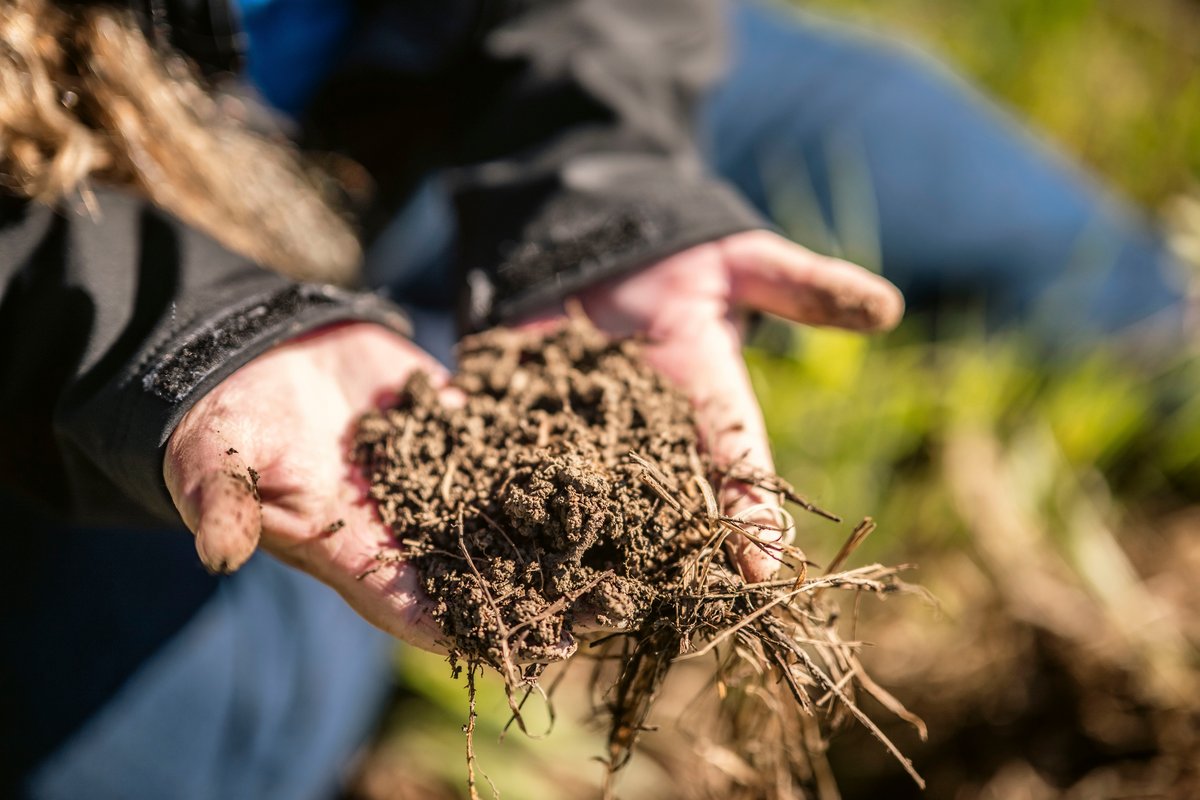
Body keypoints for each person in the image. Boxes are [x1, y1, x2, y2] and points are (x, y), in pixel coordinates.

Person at [0, 1, 1184, 798]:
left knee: (1102, 284)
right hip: (128, 287)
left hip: (517, 109)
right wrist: (189, 336)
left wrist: (605, 169)